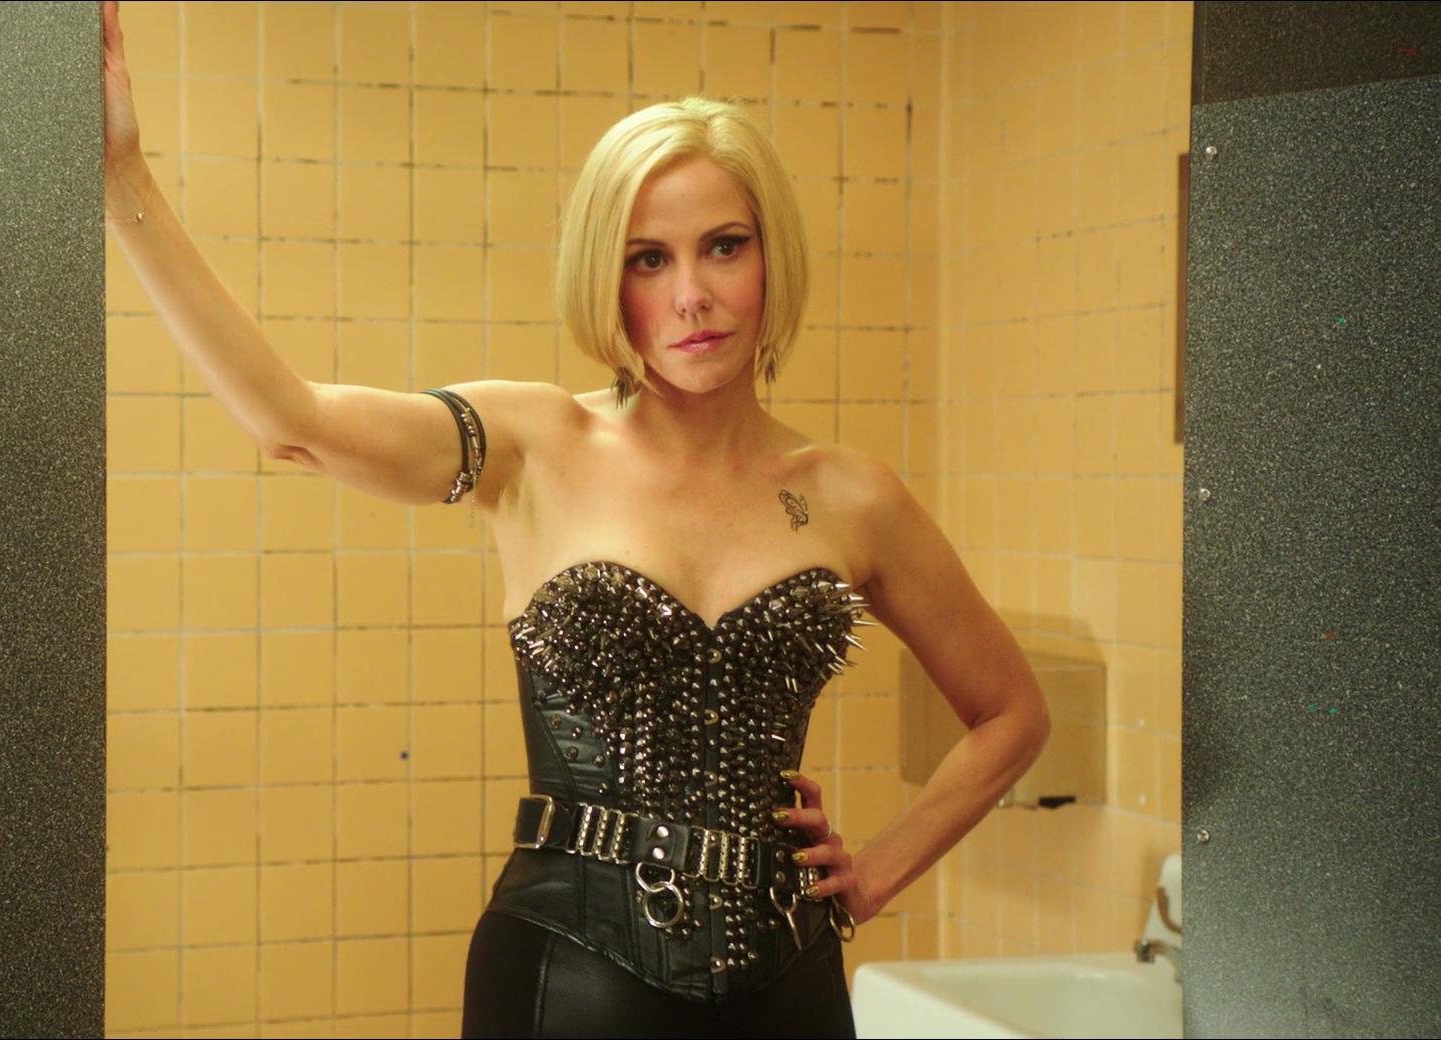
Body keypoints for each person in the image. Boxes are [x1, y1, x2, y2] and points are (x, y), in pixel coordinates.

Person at [101, 4, 1049, 1037]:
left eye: (723, 247)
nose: (691, 295)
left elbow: (1011, 711)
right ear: (607, 274)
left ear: (769, 258)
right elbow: (293, 423)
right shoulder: (532, 442)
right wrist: (122, 175)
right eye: (649, 259)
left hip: (791, 980)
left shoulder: (850, 493)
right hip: (569, 974)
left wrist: (877, 870)